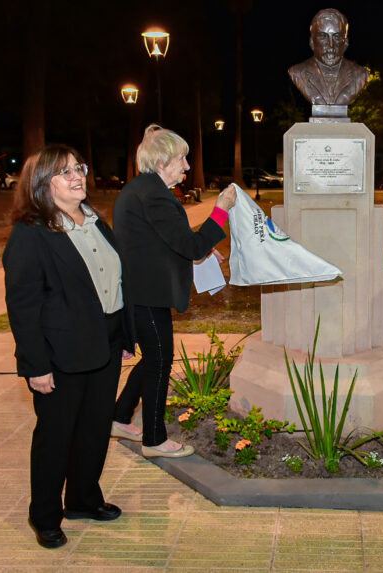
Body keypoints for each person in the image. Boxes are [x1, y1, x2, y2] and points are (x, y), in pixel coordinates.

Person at [3, 144, 129, 549]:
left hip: (105, 345)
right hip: (61, 354)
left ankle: (82, 499)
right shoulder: (31, 234)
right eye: (65, 172)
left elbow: (115, 284)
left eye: (79, 168)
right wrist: (35, 365)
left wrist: (124, 337)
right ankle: (45, 515)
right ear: (43, 184)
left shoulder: (95, 222)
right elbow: (23, 308)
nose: (79, 177)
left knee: (94, 430)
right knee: (56, 437)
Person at [111, 124, 236, 458]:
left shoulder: (142, 189)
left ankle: (120, 416)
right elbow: (190, 246)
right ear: (162, 161)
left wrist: (204, 249)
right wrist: (221, 209)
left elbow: (161, 240)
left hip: (141, 292)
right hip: (146, 295)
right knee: (160, 362)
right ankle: (154, 439)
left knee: (155, 357)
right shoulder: (153, 194)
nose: (186, 166)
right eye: (182, 158)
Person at [288, 8, 369, 106]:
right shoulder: (297, 72)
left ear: (346, 43)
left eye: (337, 37)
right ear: (312, 42)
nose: (331, 45)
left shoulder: (361, 74)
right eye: (323, 36)